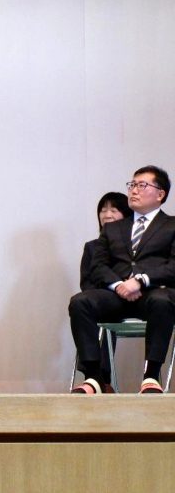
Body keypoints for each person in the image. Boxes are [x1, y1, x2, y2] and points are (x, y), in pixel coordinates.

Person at [70, 165, 175, 394]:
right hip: (116, 296)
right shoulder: (114, 229)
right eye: (132, 185)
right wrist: (119, 285)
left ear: (160, 194)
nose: (134, 190)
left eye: (142, 185)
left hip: (153, 293)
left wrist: (141, 280)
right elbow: (98, 266)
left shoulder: (171, 226)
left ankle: (151, 376)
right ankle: (94, 377)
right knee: (80, 302)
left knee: (162, 300)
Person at [76, 192, 133, 390]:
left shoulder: (137, 246)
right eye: (103, 210)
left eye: (114, 210)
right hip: (104, 302)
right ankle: (95, 378)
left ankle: (101, 379)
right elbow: (86, 283)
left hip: (133, 301)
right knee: (85, 308)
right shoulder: (92, 247)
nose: (107, 214)